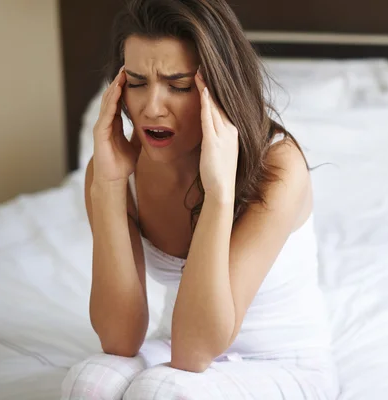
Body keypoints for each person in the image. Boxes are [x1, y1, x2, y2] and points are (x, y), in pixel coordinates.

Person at [60, 0, 338, 398]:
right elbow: (120, 341)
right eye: (137, 82)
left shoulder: (278, 168)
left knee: (162, 392)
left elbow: (195, 351)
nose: (151, 109)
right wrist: (107, 185)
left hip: (281, 361)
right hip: (180, 341)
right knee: (89, 382)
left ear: (219, 88)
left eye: (179, 86)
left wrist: (220, 192)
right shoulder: (117, 167)